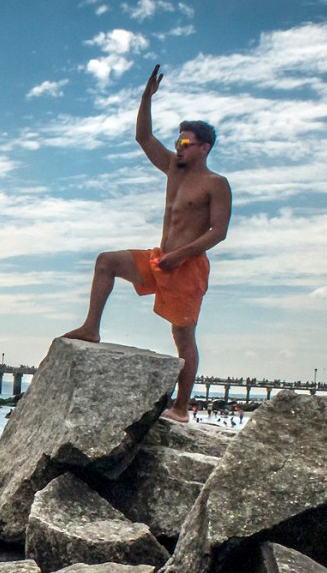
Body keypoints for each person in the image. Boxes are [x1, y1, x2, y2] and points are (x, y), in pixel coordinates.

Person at [64, 65, 231, 423]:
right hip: (159, 259)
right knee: (106, 261)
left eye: (185, 143)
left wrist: (181, 256)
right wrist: (145, 98)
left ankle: (182, 408)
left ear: (203, 148)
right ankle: (91, 327)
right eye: (177, 141)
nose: (178, 147)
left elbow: (218, 232)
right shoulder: (173, 169)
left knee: (183, 338)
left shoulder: (216, 184)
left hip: (187, 267)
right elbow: (143, 137)